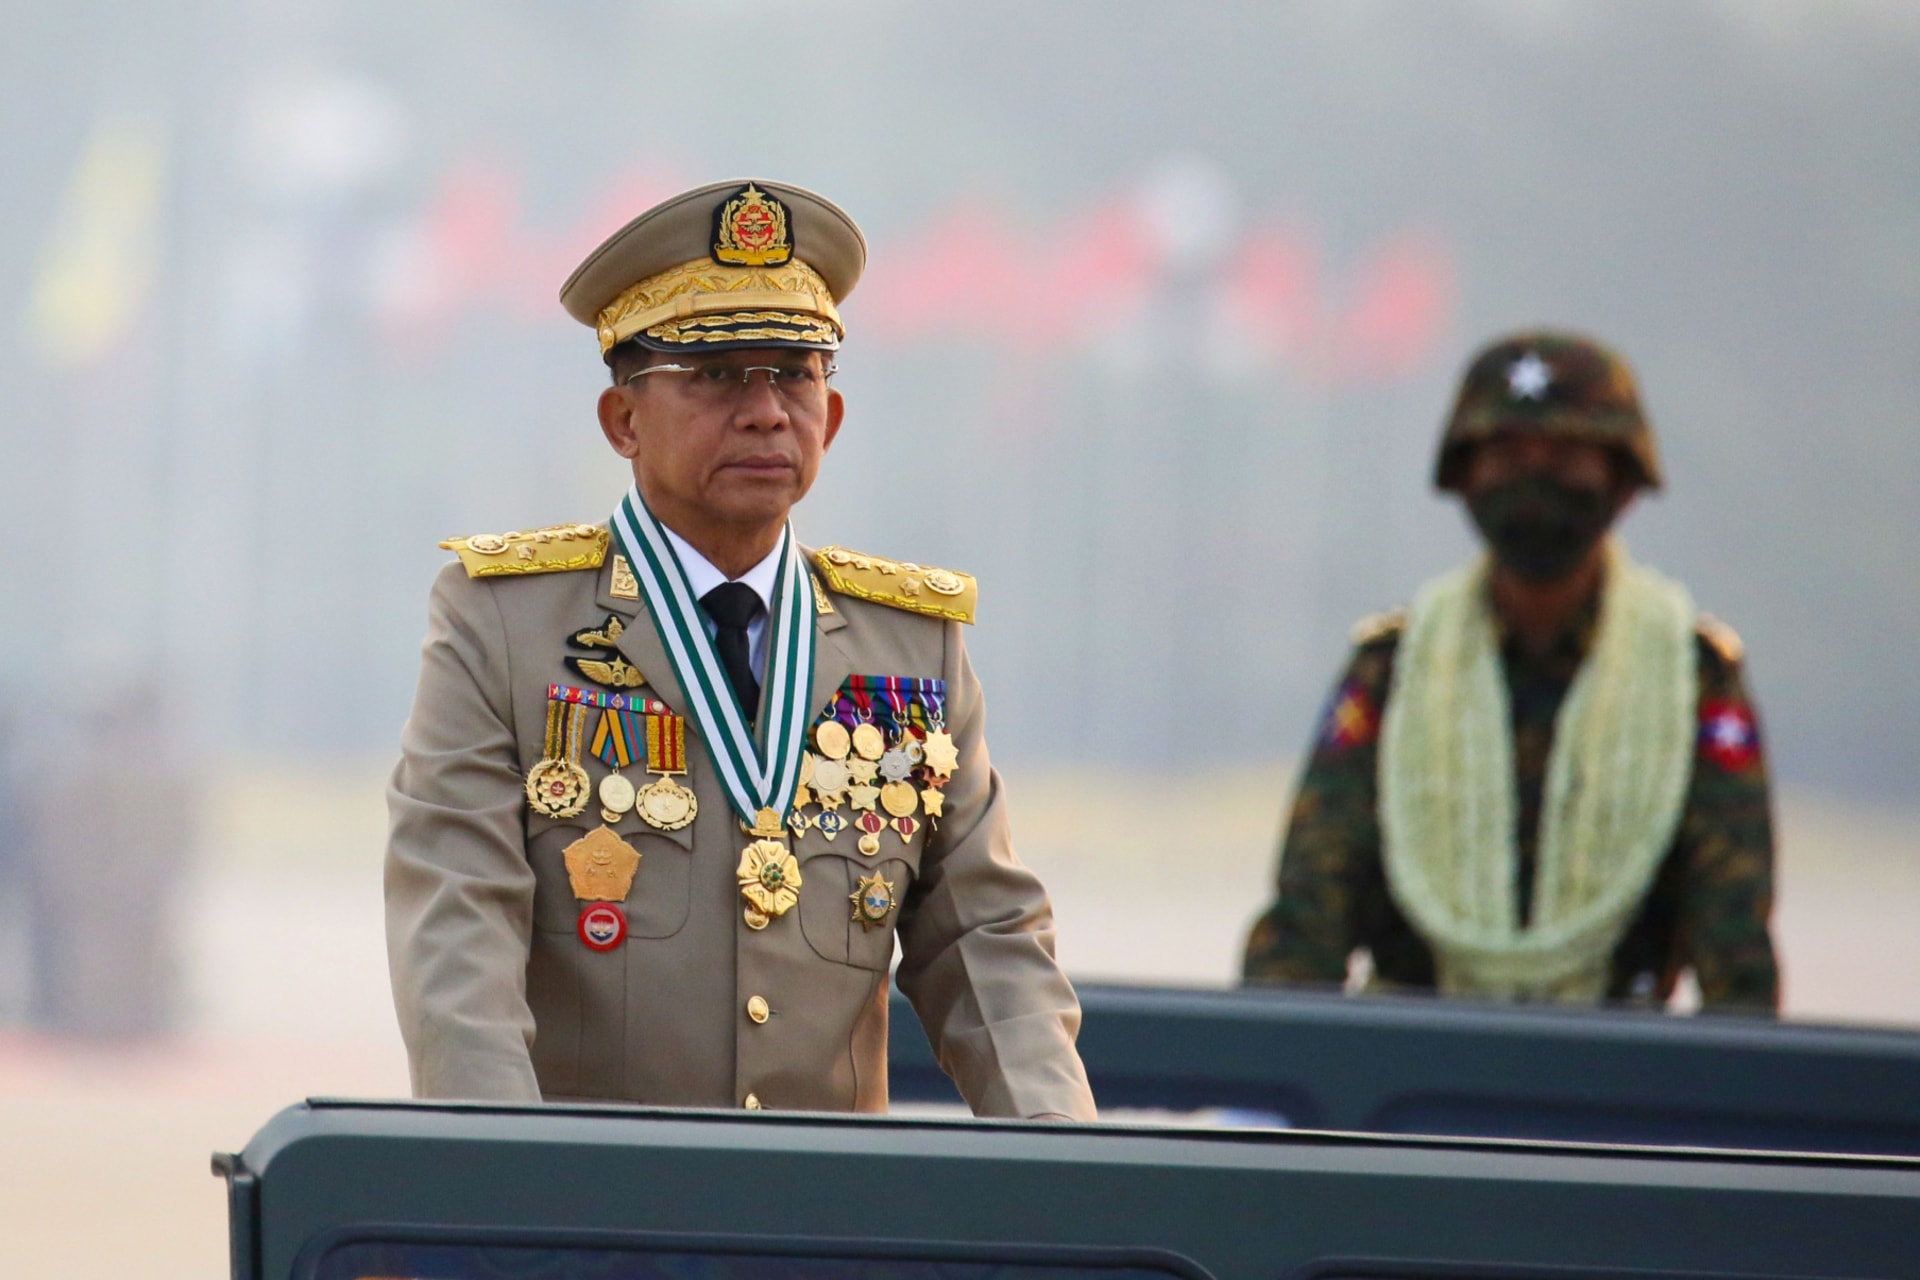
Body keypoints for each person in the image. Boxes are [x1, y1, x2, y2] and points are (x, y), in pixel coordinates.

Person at [386, 179, 1096, 1117]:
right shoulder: (506, 625)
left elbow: (985, 941)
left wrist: (1060, 1174)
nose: (766, 411)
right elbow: (458, 937)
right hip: (597, 1218)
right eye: (717, 373)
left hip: (826, 1226)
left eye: (796, 374)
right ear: (624, 422)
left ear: (831, 422)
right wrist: (513, 1191)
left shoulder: (912, 642)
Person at [1242, 331, 1779, 1012]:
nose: (1533, 479)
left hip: (1619, 1076)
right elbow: (1308, 916)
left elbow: (1734, 941)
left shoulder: (1691, 679)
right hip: (1405, 1078)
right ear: (1465, 477)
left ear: (1621, 482)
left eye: (1563, 458)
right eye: (1506, 457)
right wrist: (1273, 1088)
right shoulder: (1395, 670)